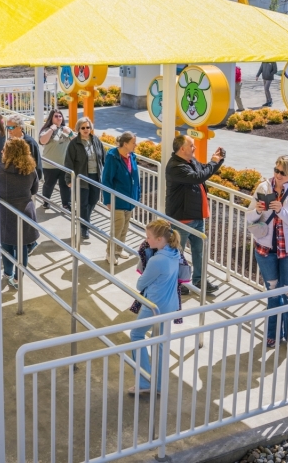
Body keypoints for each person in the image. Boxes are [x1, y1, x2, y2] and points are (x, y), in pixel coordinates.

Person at [246, 155, 288, 351]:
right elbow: (249, 218)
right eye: (276, 170)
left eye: (283, 172)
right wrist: (257, 210)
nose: (278, 175)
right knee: (273, 296)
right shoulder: (263, 187)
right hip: (266, 251)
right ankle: (272, 335)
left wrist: (281, 211)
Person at [128, 219, 182, 396]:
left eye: (149, 237)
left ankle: (143, 382)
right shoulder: (175, 252)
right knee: (158, 343)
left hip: (154, 306)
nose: (146, 241)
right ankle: (158, 384)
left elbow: (140, 283)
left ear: (159, 239)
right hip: (170, 304)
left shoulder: (157, 260)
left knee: (136, 334)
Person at [165, 135, 224, 295]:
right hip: (182, 220)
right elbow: (199, 177)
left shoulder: (191, 161)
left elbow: (203, 170)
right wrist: (214, 162)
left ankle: (199, 281)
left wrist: (217, 161)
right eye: (191, 145)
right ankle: (177, 283)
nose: (194, 148)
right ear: (182, 148)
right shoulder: (175, 167)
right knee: (177, 253)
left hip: (197, 217)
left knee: (200, 252)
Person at [0, 138, 39, 290]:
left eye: (4, 150)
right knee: (21, 248)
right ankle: (17, 279)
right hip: (25, 211)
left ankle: (7, 273)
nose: (2, 152)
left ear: (9, 153)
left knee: (6, 246)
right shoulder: (31, 169)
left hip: (5, 213)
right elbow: (34, 190)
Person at [101, 131, 141, 262]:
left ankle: (119, 249)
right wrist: (108, 200)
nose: (136, 145)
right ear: (125, 144)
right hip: (117, 199)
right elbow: (106, 179)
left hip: (129, 199)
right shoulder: (113, 157)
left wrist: (137, 195)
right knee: (118, 227)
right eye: (133, 143)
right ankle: (110, 253)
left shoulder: (132, 157)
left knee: (125, 227)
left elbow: (135, 177)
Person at [65, 116, 103, 241]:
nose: (86, 130)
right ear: (78, 129)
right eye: (83, 128)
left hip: (95, 176)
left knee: (94, 200)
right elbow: (68, 162)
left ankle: (85, 219)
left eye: (88, 127)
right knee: (83, 204)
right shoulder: (74, 144)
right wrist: (69, 179)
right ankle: (84, 228)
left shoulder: (96, 140)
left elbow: (104, 158)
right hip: (82, 177)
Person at [38, 109, 74, 211]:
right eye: (56, 116)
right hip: (50, 165)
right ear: (51, 118)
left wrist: (70, 133)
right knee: (49, 185)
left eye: (60, 116)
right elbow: (42, 141)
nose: (59, 118)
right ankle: (46, 201)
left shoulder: (66, 129)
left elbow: (77, 143)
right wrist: (51, 130)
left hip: (64, 165)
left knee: (65, 186)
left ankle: (66, 204)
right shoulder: (47, 130)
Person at [4, 114, 42, 182]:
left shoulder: (30, 142)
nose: (9, 130)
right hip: (12, 180)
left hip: (26, 181)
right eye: (7, 127)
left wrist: (34, 182)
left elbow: (37, 164)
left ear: (20, 127)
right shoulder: (9, 141)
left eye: (11, 128)